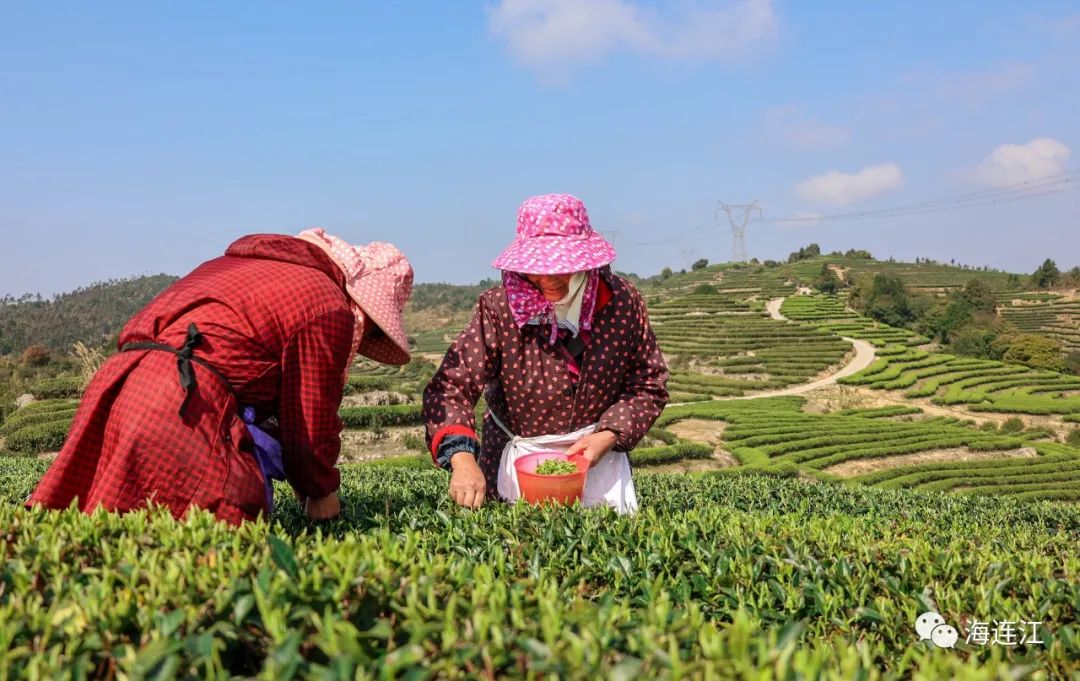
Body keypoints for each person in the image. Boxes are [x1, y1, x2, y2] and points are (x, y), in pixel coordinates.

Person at [29, 230, 413, 524]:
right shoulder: (328, 303)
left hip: (117, 385)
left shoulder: (236, 266)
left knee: (96, 530)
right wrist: (321, 493)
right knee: (201, 554)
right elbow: (310, 422)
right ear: (362, 302)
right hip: (181, 403)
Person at [422, 194, 669, 512]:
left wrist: (608, 435)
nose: (548, 279)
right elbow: (450, 387)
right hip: (513, 457)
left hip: (598, 457)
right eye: (538, 269)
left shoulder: (622, 302)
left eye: (562, 267)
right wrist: (462, 458)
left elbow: (648, 383)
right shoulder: (499, 308)